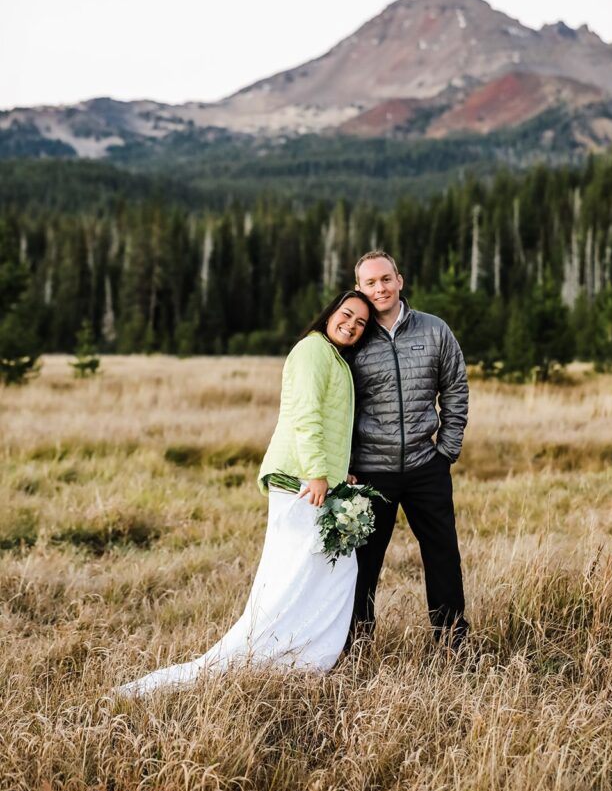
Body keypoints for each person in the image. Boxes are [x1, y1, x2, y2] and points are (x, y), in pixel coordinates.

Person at [115, 290, 373, 696]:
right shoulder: (312, 352)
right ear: (329, 314)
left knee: (323, 572)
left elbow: (330, 422)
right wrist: (320, 474)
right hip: (301, 482)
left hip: (315, 481)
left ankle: (298, 658)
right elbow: (305, 415)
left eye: (361, 323)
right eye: (347, 315)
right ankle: (280, 655)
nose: (352, 325)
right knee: (303, 575)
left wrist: (341, 474)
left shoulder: (333, 357)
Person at [347, 250, 469, 649]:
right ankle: (356, 644)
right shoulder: (353, 338)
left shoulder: (434, 330)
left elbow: (454, 387)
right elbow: (339, 406)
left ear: (400, 280)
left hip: (425, 466)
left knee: (443, 557)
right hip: (370, 472)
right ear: (358, 289)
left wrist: (446, 450)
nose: (379, 288)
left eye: (385, 279)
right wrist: (345, 464)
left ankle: (451, 644)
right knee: (363, 565)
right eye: (370, 283)